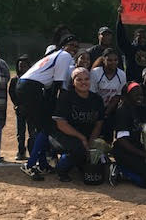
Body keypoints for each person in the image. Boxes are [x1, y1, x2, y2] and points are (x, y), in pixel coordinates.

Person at [17, 27, 80, 180]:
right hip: (32, 88)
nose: (74, 48)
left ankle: (43, 163)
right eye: (71, 45)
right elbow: (57, 85)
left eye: (76, 46)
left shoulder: (57, 55)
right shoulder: (64, 55)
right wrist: (56, 107)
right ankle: (30, 164)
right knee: (45, 127)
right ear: (64, 46)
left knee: (42, 127)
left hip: (27, 86)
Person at [50, 67, 105, 182]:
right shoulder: (66, 97)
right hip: (63, 134)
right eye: (79, 80)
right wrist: (83, 138)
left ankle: (77, 163)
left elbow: (98, 124)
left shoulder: (97, 99)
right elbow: (61, 124)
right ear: (73, 82)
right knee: (78, 148)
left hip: (85, 135)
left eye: (86, 79)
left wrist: (92, 141)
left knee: (95, 152)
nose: (83, 82)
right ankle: (61, 169)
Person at [109, 83, 146, 189]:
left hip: (135, 147)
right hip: (123, 151)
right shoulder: (123, 111)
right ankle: (121, 172)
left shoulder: (135, 108)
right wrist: (142, 153)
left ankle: (126, 169)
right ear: (127, 95)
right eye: (136, 95)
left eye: (141, 94)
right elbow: (122, 141)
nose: (140, 97)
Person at [90, 48, 126, 142]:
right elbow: (91, 95)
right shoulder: (95, 73)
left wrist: (106, 113)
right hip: (94, 106)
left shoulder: (121, 74)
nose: (113, 62)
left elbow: (117, 96)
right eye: (109, 60)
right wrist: (98, 112)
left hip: (110, 107)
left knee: (108, 132)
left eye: (115, 60)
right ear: (103, 60)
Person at [8, 54, 34, 160]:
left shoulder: (33, 79)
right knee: (20, 133)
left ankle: (33, 152)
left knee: (32, 132)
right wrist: (16, 105)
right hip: (20, 110)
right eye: (20, 66)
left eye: (24, 65)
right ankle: (21, 152)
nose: (22, 68)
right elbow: (11, 93)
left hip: (31, 110)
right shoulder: (15, 80)